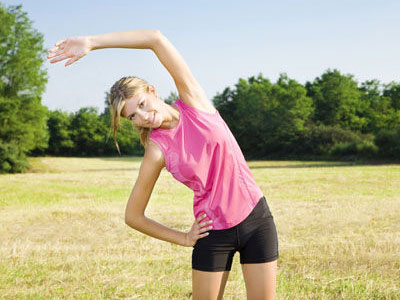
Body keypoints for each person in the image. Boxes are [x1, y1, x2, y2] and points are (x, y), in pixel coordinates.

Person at [48, 29, 279, 300]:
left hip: (256, 218)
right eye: (133, 116)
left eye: (143, 105)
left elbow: (156, 39)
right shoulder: (156, 151)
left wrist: (91, 42)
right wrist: (183, 237)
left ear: (152, 91)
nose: (144, 117)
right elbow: (133, 216)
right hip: (212, 231)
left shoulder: (194, 102)